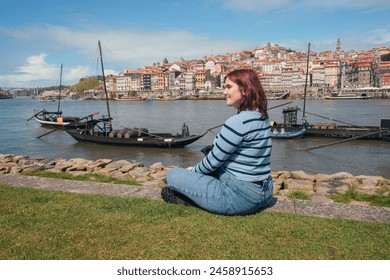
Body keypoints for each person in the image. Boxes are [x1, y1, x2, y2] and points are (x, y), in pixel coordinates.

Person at [161, 68, 274, 215]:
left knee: (173, 175)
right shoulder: (262, 117)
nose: (224, 92)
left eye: (228, 87)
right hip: (266, 191)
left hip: (241, 197)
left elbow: (212, 162)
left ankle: (189, 199)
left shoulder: (237, 122)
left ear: (245, 90)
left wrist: (193, 172)